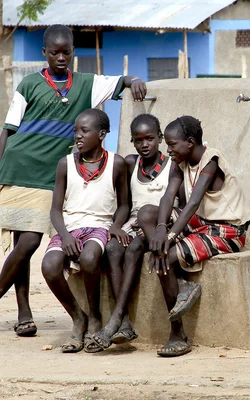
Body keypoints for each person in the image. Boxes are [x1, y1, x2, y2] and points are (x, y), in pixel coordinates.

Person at [0, 24, 146, 337]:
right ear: (45, 53)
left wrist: (134, 80)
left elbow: (120, 81)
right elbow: (9, 131)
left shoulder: (87, 85)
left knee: (30, 241)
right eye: (55, 52)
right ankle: (23, 311)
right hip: (18, 169)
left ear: (74, 53)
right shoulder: (29, 84)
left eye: (66, 52)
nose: (61, 58)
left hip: (49, 175)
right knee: (22, 245)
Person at [137, 116, 250, 357]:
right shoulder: (181, 162)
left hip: (228, 230)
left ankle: (177, 334)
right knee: (147, 213)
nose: (167, 150)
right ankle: (182, 285)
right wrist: (160, 227)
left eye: (172, 144)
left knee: (165, 256)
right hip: (201, 223)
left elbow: (192, 203)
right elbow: (168, 196)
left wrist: (168, 238)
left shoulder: (211, 160)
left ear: (190, 142)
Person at [41, 109, 130, 353]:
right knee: (49, 266)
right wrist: (66, 236)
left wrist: (115, 225)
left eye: (85, 131)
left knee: (90, 257)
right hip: (69, 227)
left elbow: (124, 204)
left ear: (102, 134)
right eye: (76, 131)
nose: (78, 136)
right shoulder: (66, 164)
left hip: (99, 225)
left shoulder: (116, 163)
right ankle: (77, 316)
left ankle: (94, 317)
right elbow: (55, 210)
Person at [93, 114, 172, 349]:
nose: (144, 144)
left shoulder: (172, 165)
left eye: (149, 138)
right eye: (138, 140)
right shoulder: (130, 163)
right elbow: (125, 203)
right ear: (132, 142)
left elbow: (177, 201)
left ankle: (116, 316)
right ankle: (125, 322)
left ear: (159, 138)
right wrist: (116, 226)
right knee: (112, 248)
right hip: (134, 221)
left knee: (135, 246)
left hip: (159, 224)